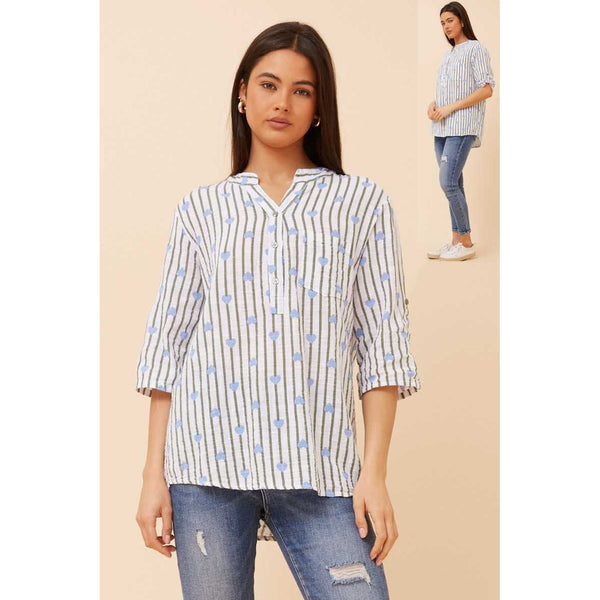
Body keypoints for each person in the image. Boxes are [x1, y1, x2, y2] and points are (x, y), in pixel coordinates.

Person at [134, 21, 421, 600]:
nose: (282, 102)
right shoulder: (202, 210)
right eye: (268, 85)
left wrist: (374, 473)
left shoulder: (360, 204)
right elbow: (169, 347)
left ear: (319, 107)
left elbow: (383, 347)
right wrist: (152, 475)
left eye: (301, 90)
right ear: (243, 94)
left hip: (322, 470)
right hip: (205, 467)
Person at [427, 2, 495, 261]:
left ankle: (466, 242)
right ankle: (456, 240)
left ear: (462, 21)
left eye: (450, 20)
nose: (446, 26)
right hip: (441, 127)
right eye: (442, 23)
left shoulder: (476, 49)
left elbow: (486, 89)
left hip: (462, 125)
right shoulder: (448, 55)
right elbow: (449, 91)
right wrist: (434, 105)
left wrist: (451, 108)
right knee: (454, 184)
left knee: (447, 182)